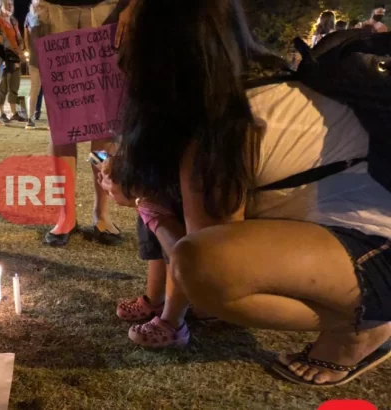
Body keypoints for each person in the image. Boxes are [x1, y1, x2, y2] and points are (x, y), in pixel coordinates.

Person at [113, 0, 391, 385]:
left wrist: (149, 208)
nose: (117, 54)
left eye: (126, 39)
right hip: (344, 238)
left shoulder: (226, 117)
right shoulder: (240, 87)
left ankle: (366, 326)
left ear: (164, 50)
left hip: (377, 252)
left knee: (205, 266)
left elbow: (202, 254)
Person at [36, 0, 123, 247]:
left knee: (104, 121)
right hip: (55, 8)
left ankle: (102, 213)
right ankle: (66, 214)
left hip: (107, 8)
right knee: (62, 122)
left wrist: (130, 7)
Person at [0, 0, 26, 124]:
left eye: (11, 4)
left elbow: (18, 37)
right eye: (7, 4)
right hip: (4, 57)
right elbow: (1, 40)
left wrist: (21, 47)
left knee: (14, 85)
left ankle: (14, 113)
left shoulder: (13, 20)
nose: (10, 6)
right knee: (3, 87)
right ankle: (1, 113)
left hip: (15, 56)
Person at [24, 0, 48, 130]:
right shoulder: (49, 16)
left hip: (35, 56)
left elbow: (26, 36)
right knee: (47, 90)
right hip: (46, 57)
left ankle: (30, 118)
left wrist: (29, 50)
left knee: (34, 89)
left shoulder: (29, 16)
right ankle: (53, 119)